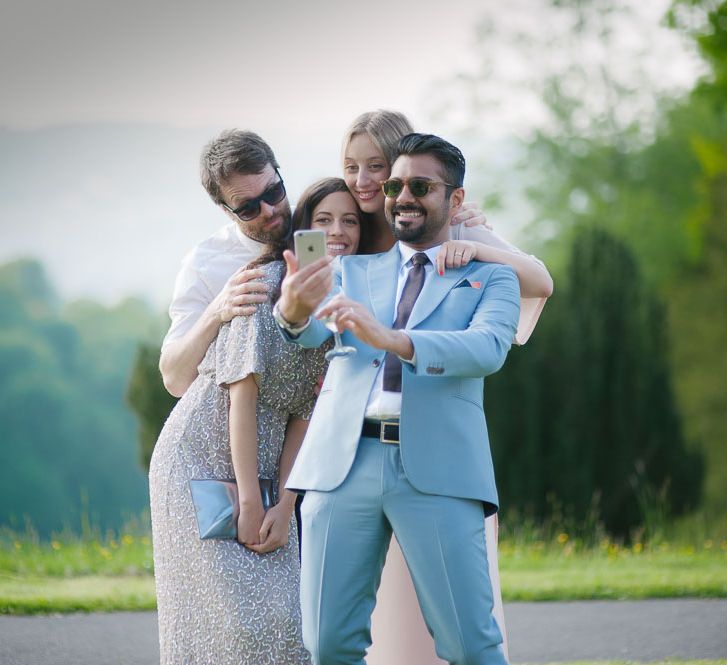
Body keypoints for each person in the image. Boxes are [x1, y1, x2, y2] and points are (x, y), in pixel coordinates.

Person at [276, 133, 520, 665]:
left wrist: (392, 339)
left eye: (420, 185)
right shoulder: (349, 271)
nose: (402, 195)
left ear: (455, 200)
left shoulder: (492, 277)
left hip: (440, 473)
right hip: (339, 469)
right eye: (394, 184)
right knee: (327, 644)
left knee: (470, 644)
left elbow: (487, 349)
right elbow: (310, 332)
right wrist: (292, 310)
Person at [339, 110, 553, 663]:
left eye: (377, 167)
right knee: (348, 628)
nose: (366, 182)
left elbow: (537, 281)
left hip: (434, 446)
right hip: (349, 449)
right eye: (353, 168)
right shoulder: (342, 229)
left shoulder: (454, 227)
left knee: (452, 628)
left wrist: (475, 247)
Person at [148, 130, 325, 664]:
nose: (271, 212)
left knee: (282, 623)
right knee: (221, 622)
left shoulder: (311, 236)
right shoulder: (206, 263)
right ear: (224, 208)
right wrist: (217, 310)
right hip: (197, 462)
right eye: (249, 207)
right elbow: (174, 377)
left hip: (275, 457)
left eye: (275, 192)